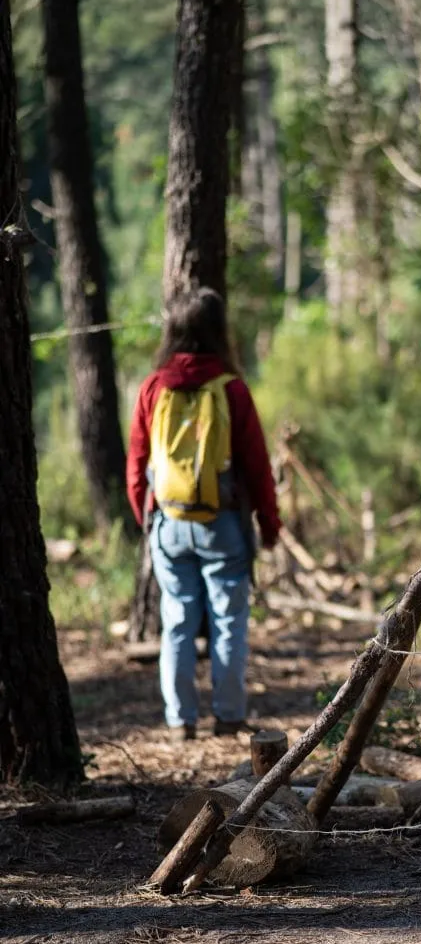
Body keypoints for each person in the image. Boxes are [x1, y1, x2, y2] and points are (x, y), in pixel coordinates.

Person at [126, 287, 281, 741]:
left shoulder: (153, 388)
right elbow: (257, 467)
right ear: (219, 331)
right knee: (228, 622)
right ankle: (229, 717)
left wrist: (147, 517)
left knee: (176, 619)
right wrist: (269, 525)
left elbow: (137, 463)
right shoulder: (232, 389)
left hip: (170, 522)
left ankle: (180, 721)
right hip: (224, 524)